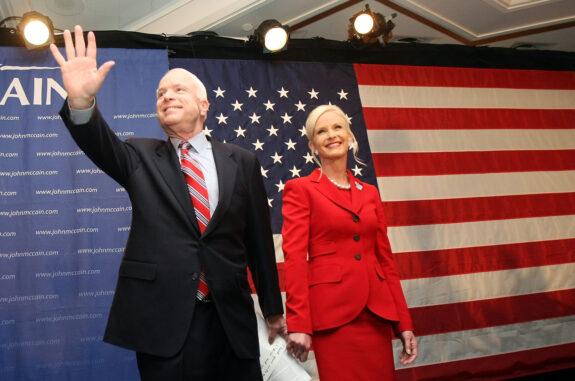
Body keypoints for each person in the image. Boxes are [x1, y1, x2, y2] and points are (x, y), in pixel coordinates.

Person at [49, 25, 286, 380]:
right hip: (166, 324)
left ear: (204, 105)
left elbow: (258, 242)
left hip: (231, 322)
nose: (167, 96)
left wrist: (272, 308)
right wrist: (81, 102)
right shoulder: (139, 155)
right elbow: (97, 141)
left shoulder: (243, 161)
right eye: (161, 93)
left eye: (178, 89)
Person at [282, 104, 418, 380]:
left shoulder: (368, 193)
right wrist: (299, 324)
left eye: (337, 127)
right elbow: (295, 259)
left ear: (350, 135)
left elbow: (385, 260)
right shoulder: (301, 190)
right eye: (322, 131)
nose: (331, 135)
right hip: (333, 317)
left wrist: (404, 322)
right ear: (313, 145)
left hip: (376, 314)